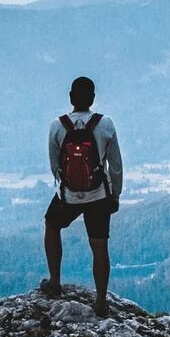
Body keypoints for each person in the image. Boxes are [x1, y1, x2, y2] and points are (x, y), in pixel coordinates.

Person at [42, 75, 121, 316]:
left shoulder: (57, 126)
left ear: (70, 98)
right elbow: (115, 165)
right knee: (99, 245)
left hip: (68, 196)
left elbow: (55, 165)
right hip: (98, 195)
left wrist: (68, 188)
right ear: (93, 98)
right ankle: (100, 301)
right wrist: (115, 194)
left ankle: (55, 281)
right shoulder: (105, 124)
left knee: (51, 225)